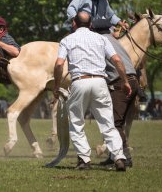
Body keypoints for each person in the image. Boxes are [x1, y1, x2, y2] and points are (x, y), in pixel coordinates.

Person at [53, 11, 132, 171]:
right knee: (108, 123)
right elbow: (117, 60)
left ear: (74, 24)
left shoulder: (67, 40)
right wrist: (124, 81)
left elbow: (59, 64)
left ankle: (84, 160)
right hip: (100, 81)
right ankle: (119, 158)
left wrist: (56, 86)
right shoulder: (102, 39)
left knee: (76, 123)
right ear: (90, 25)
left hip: (79, 82)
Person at [91, 20, 139, 168]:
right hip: (133, 80)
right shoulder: (113, 40)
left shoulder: (101, 41)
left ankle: (125, 158)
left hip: (120, 83)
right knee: (119, 122)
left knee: (114, 123)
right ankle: (114, 157)